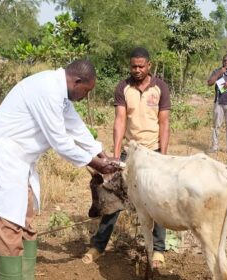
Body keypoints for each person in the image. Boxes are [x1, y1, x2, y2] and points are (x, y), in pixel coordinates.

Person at [0, 59, 119, 280]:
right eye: (86, 91)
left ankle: (25, 275)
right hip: (2, 159)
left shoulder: (60, 94)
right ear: (76, 81)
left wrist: (101, 153)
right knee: (10, 225)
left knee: (25, 218)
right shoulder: (47, 91)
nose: (86, 97)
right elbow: (60, 141)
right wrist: (96, 164)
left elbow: (75, 127)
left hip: (20, 162)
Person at [82, 47, 170, 268]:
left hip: (154, 152)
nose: (137, 70)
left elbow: (164, 123)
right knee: (114, 199)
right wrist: (115, 153)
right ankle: (98, 246)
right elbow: (120, 120)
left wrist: (164, 156)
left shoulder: (160, 87)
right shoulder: (123, 87)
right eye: (133, 66)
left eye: (141, 66)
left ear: (149, 65)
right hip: (130, 152)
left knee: (157, 199)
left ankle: (159, 249)